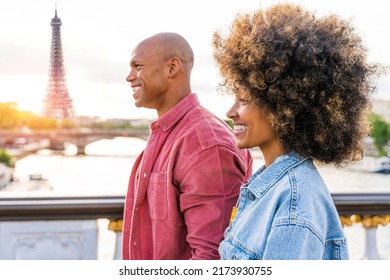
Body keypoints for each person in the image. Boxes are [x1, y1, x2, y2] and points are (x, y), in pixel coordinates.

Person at [212, 3, 381, 259]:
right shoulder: (274, 187)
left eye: (244, 100)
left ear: (283, 106)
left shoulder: (295, 206)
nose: (231, 112)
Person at [122, 32, 253, 260]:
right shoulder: (173, 135)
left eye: (138, 66)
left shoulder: (206, 145)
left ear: (172, 68)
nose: (129, 77)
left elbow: (212, 257)